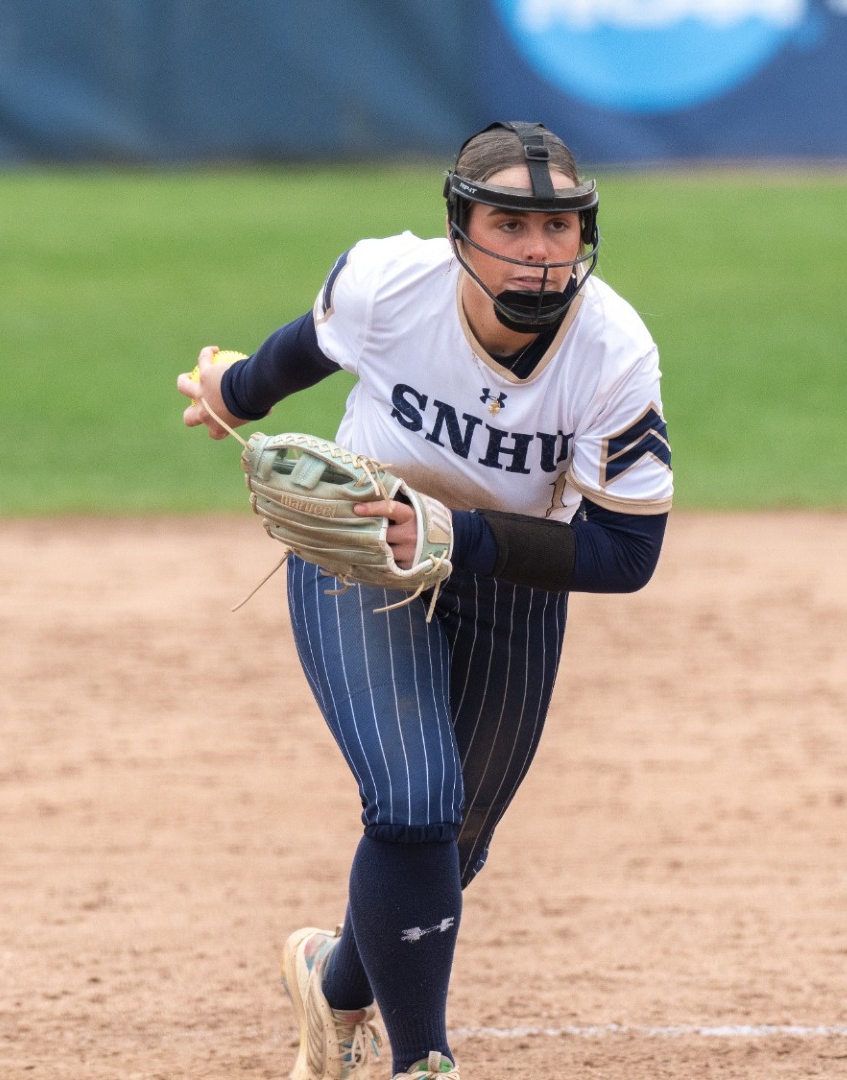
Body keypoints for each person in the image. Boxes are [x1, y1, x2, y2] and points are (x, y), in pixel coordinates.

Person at [177, 121, 672, 1080]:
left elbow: (627, 552)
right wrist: (235, 394)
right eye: (511, 226)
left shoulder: (613, 352)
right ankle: (422, 1062)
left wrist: (460, 535)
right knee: (412, 801)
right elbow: (310, 346)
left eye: (560, 229)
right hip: (359, 551)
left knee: (452, 846)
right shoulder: (386, 283)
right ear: (459, 229)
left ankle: (333, 982)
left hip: (510, 578)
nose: (538, 253)